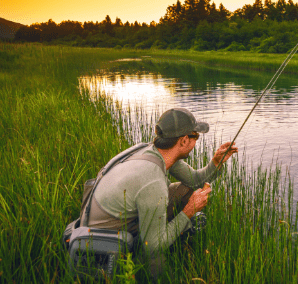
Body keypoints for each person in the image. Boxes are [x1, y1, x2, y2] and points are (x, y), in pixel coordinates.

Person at [81, 108, 238, 278]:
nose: (196, 142)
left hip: (116, 216)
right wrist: (189, 212)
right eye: (195, 137)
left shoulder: (157, 152)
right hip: (107, 237)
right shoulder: (153, 180)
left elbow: (194, 181)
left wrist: (216, 162)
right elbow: (152, 246)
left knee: (185, 190)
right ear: (184, 140)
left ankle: (169, 233)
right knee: (157, 256)